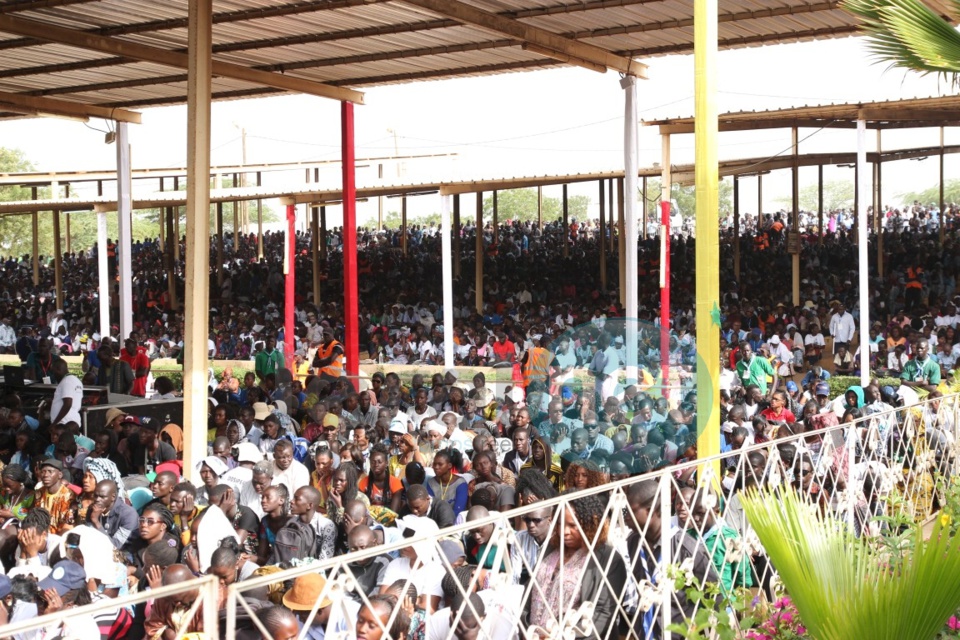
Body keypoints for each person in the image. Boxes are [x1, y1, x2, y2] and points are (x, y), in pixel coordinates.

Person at [528, 492, 626, 639]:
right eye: (560, 524)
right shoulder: (551, 548)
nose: (565, 532)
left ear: (589, 524)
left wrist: (560, 637)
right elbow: (529, 590)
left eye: (573, 525)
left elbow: (602, 614)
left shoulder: (609, 559)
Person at [34, 459, 76, 534]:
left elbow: (69, 524)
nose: (46, 475)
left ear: (60, 475)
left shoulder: (69, 496)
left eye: (50, 471)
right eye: (43, 471)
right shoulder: (38, 493)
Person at [49, 359, 82, 427]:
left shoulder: (67, 381)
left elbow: (68, 403)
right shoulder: (76, 380)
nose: (53, 375)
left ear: (58, 369)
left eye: (53, 372)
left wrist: (54, 423)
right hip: (70, 421)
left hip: (64, 423)